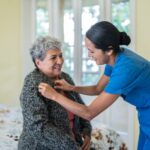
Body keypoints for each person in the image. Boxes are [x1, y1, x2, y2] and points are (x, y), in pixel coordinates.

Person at [38, 21, 150, 150]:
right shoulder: (115, 58)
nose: (88, 55)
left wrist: (54, 96)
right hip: (145, 114)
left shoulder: (126, 69)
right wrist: (72, 88)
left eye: (91, 51)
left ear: (108, 50)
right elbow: (98, 88)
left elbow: (89, 113)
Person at [18, 36, 92, 150]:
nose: (60, 61)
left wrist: (86, 131)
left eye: (61, 55)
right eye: (53, 57)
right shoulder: (32, 84)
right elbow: (38, 127)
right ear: (38, 63)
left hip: (73, 143)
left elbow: (80, 108)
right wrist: (71, 146)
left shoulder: (65, 77)